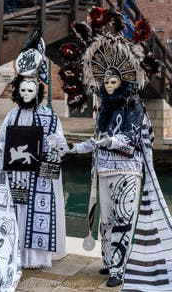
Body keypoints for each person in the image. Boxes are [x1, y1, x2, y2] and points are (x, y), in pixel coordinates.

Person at [60, 5, 172, 290]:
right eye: (105, 82)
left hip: (127, 173)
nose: (109, 86)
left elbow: (133, 137)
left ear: (123, 80)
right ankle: (109, 262)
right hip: (105, 172)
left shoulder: (134, 105)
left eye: (113, 81)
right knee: (106, 222)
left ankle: (120, 270)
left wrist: (112, 141)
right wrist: (73, 148)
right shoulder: (105, 109)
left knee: (123, 219)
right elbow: (96, 139)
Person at [0, 32, 68, 291]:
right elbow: (4, 141)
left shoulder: (49, 115)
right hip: (17, 174)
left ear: (37, 90)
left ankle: (35, 257)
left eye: (31, 90)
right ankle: (14, 251)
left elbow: (61, 142)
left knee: (38, 212)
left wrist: (54, 145)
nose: (26, 94)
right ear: (18, 91)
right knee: (16, 212)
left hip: (40, 175)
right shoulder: (12, 116)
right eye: (22, 90)